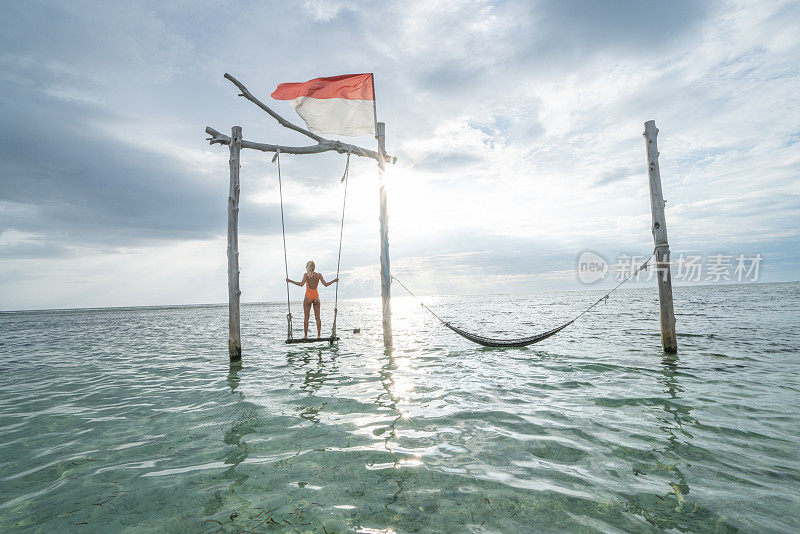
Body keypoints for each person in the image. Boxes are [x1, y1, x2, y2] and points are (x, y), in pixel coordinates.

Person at [286, 261, 338, 339]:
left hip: (308, 297)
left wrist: (290, 281)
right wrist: (334, 280)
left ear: (307, 267)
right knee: (318, 317)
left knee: (306, 317)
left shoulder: (306, 275)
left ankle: (306, 336)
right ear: (314, 267)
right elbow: (326, 285)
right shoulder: (319, 275)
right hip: (316, 297)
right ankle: (319, 335)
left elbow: (301, 284)